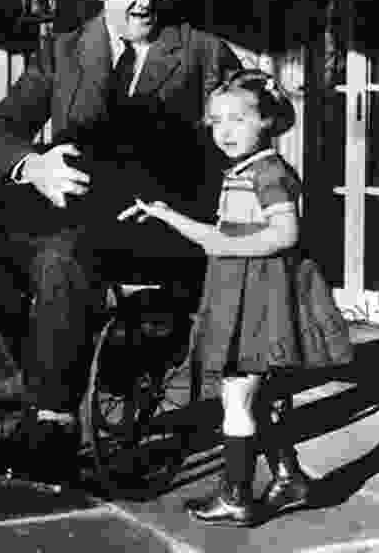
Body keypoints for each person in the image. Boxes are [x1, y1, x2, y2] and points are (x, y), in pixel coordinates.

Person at [0, 0, 242, 486]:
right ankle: (24, 388)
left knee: (60, 252)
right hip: (71, 212)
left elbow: (245, 144)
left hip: (156, 226)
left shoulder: (202, 53)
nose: (145, 0)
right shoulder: (67, 52)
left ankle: (52, 424)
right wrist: (35, 166)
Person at [130, 68, 317, 526]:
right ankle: (288, 477)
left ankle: (236, 495)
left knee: (236, 398)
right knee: (255, 396)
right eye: (215, 122)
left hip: (258, 298)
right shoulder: (245, 170)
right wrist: (168, 215)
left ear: (267, 121)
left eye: (238, 119)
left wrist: (226, 246)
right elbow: (217, 236)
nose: (225, 131)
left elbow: (285, 234)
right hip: (240, 292)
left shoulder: (269, 172)